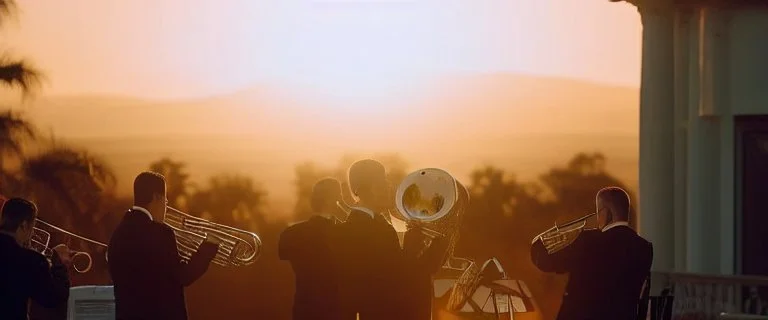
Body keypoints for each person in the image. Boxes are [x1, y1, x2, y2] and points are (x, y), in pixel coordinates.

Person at [108, 171, 220, 320]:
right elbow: (184, 276)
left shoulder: (118, 233)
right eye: (166, 202)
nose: (166, 208)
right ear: (156, 197)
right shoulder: (161, 233)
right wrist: (208, 247)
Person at [530, 186, 653, 320]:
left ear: (606, 213)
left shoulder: (589, 241)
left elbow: (547, 262)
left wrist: (538, 245)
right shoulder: (644, 248)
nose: (597, 218)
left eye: (598, 212)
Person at [331, 159, 405, 320]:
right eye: (382, 182)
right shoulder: (373, 231)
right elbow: (400, 274)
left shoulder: (377, 227)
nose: (389, 187)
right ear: (365, 189)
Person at [279, 177, 347, 320]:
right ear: (333, 201)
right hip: (336, 311)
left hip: (304, 309)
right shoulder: (343, 234)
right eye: (339, 197)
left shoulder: (291, 233)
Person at [0, 197, 72, 320]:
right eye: (32, 227)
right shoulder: (30, 260)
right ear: (23, 225)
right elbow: (53, 298)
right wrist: (60, 265)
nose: (32, 234)